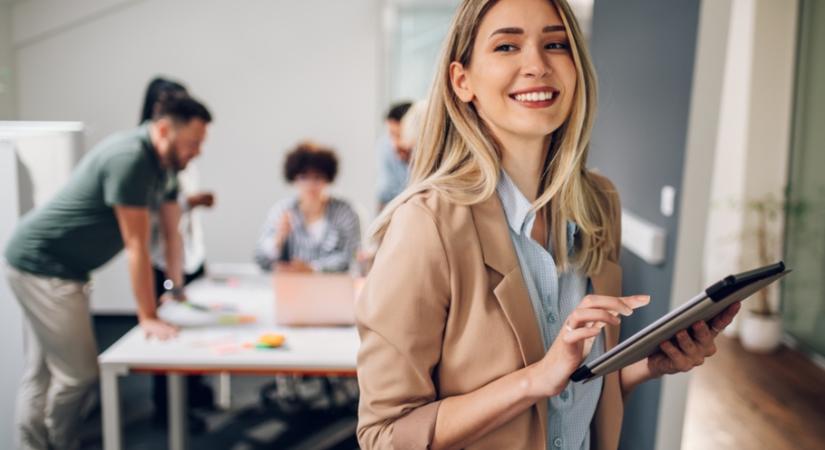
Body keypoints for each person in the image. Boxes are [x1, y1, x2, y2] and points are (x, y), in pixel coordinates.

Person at [355, 1, 741, 449]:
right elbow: (383, 435)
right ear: (463, 82)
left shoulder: (599, 204)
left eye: (555, 44)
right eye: (507, 46)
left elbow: (570, 397)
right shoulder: (427, 225)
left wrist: (647, 366)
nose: (537, 64)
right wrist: (535, 379)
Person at [3, 94, 212, 450]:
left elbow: (171, 230)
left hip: (62, 268)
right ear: (163, 130)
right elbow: (137, 246)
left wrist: (174, 289)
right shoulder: (130, 158)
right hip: (43, 265)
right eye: (192, 143)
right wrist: (147, 316)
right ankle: (57, 442)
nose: (197, 152)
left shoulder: (164, 167)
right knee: (79, 374)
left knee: (42, 373)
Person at [140, 77, 216, 427]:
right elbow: (152, 233)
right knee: (166, 333)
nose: (197, 149)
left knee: (191, 329)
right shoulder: (145, 161)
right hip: (163, 258)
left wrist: (179, 282)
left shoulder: (178, 160)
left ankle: (192, 396)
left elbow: (174, 231)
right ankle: (168, 411)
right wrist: (170, 286)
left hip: (186, 255)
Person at [255, 142, 361, 273]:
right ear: (294, 178)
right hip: (291, 288)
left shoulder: (345, 213)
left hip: (332, 288)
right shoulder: (282, 211)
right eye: (304, 177)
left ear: (327, 178)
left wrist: (312, 268)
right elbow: (260, 259)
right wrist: (278, 240)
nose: (310, 185)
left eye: (317, 178)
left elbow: (349, 257)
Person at [377, 101, 413, 211]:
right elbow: (384, 196)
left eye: (400, 135)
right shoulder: (385, 147)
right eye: (392, 135)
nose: (395, 145)